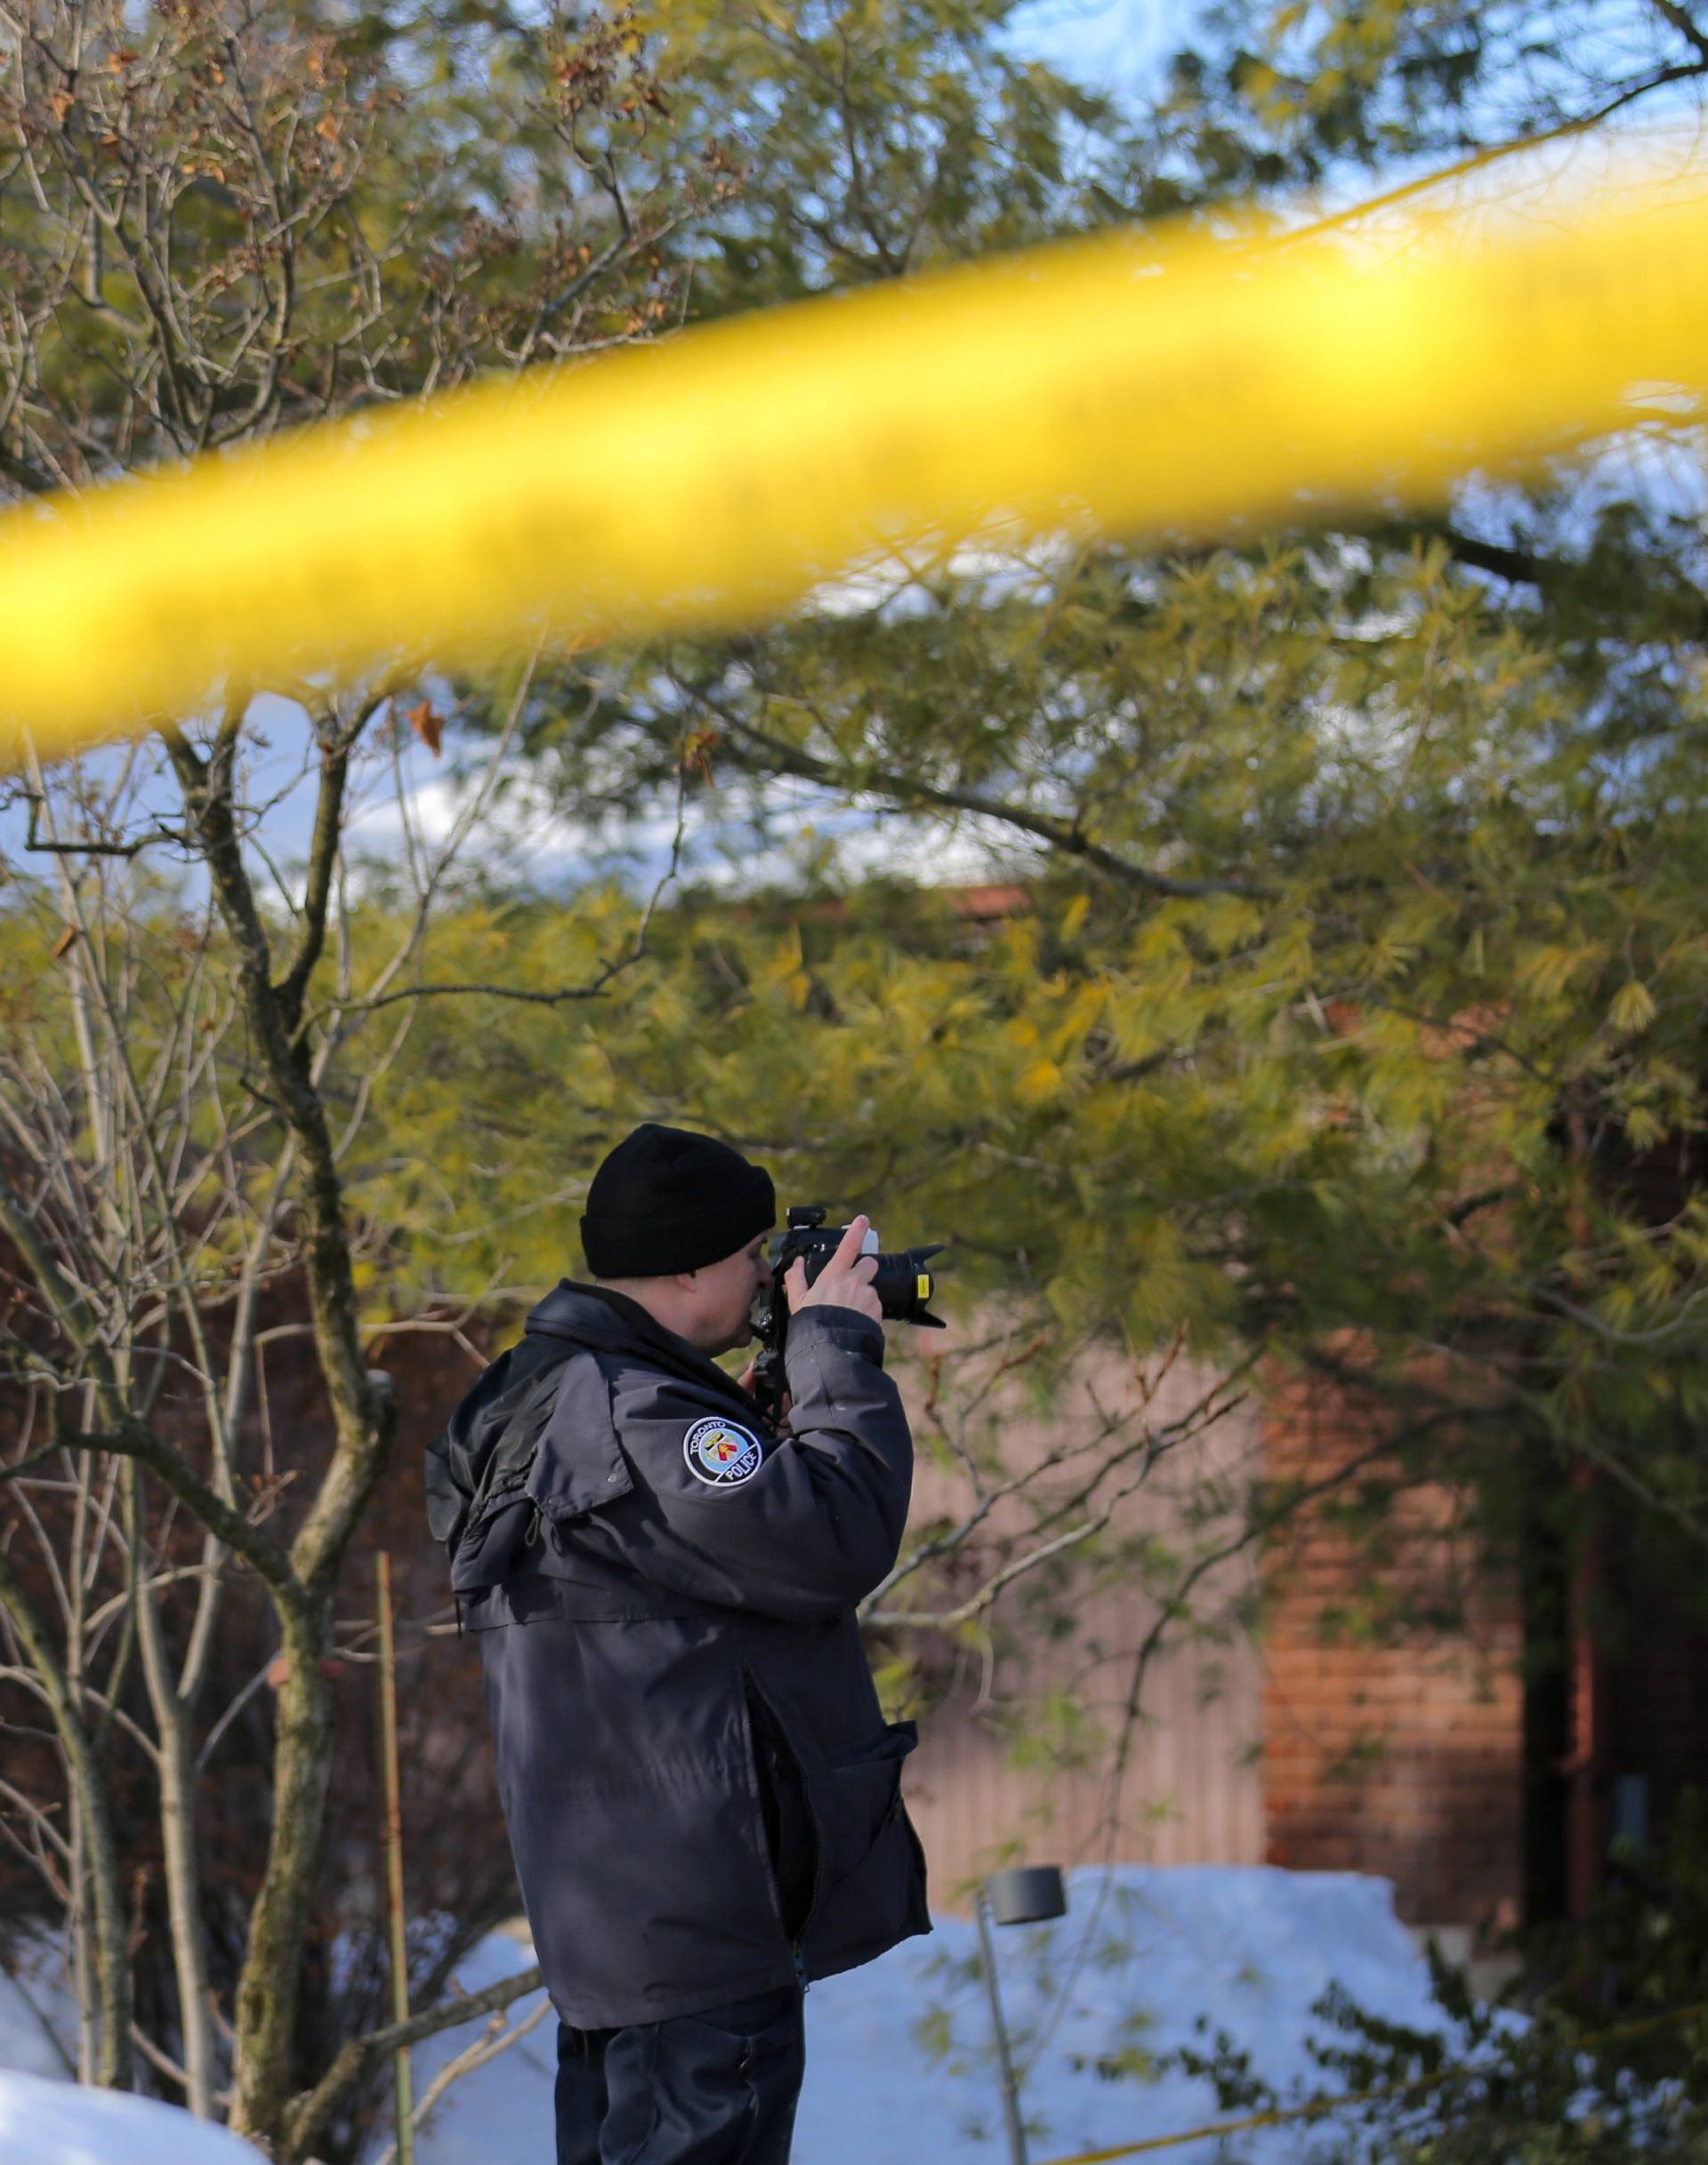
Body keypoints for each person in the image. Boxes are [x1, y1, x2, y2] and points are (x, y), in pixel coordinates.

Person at [426, 1122, 930, 2165]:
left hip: (629, 1920)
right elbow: (833, 1540)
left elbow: (694, 1577)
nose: (764, 1280)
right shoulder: (638, 1414)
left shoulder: (551, 1387)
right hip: (696, 1926)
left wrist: (761, 1419)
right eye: (752, 1256)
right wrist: (833, 1347)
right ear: (692, 1263)